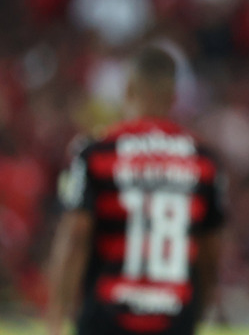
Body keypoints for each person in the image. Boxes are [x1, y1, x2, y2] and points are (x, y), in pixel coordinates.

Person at [46, 45, 227, 335]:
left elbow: (75, 235)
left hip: (107, 315)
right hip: (175, 315)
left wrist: (56, 315)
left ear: (129, 89)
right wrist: (201, 310)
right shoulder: (203, 161)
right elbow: (211, 251)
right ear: (173, 97)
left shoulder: (96, 152)